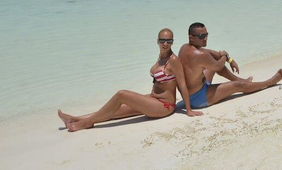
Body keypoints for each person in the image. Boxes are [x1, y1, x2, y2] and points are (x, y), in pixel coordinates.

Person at [57, 29, 201, 132]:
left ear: (172, 42)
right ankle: (75, 119)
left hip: (164, 106)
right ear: (157, 41)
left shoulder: (173, 60)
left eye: (169, 41)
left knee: (122, 94)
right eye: (162, 40)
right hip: (152, 99)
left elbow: (181, 84)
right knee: (112, 111)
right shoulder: (161, 57)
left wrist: (188, 110)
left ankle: (86, 123)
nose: (165, 43)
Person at [179, 23, 282, 109]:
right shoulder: (200, 55)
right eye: (202, 36)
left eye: (206, 35)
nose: (205, 39)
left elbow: (210, 53)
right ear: (191, 38)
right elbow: (218, 66)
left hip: (191, 93)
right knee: (238, 86)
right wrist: (224, 56)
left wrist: (229, 59)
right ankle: (269, 82)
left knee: (217, 62)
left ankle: (243, 80)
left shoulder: (185, 47)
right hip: (198, 98)